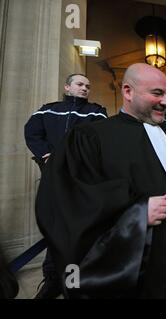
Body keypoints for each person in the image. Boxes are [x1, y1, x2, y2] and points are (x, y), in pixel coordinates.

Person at [35, 63, 166, 299]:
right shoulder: (90, 137)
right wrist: (136, 215)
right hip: (141, 270)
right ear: (128, 92)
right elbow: (67, 205)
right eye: (156, 93)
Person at [24, 73, 107, 299]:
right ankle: (52, 280)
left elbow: (100, 141)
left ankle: (76, 281)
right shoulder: (48, 109)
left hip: (82, 181)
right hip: (52, 179)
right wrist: (47, 155)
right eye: (80, 84)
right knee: (55, 229)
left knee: (80, 232)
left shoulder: (96, 111)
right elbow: (32, 133)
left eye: (88, 86)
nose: (84, 89)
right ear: (67, 86)